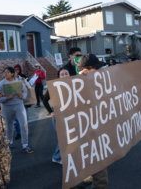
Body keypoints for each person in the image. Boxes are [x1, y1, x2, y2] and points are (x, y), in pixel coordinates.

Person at [76, 53, 109, 189]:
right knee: (101, 179)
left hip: (102, 134)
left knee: (91, 173)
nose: (100, 71)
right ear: (86, 70)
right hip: (91, 138)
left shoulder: (100, 83)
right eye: (97, 68)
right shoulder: (74, 88)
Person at [0, 67, 33, 153]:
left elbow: (25, 93)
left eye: (7, 72)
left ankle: (25, 145)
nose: (5, 74)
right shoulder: (1, 84)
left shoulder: (19, 82)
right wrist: (7, 98)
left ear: (13, 73)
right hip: (7, 107)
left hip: (19, 106)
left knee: (24, 124)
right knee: (9, 126)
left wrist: (22, 96)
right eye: (4, 72)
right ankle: (9, 142)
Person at [43, 67, 70, 165]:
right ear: (58, 77)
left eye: (66, 73)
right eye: (62, 74)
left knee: (69, 136)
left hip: (70, 116)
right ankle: (56, 157)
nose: (64, 76)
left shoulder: (73, 84)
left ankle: (64, 155)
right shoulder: (54, 86)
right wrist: (51, 112)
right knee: (64, 137)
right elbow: (45, 100)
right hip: (58, 116)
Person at [13, 64, 32, 140]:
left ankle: (24, 132)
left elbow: (30, 85)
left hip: (24, 100)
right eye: (15, 70)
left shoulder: (23, 76)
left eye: (18, 69)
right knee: (16, 119)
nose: (17, 71)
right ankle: (18, 133)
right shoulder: (11, 78)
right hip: (15, 101)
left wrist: (28, 85)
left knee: (25, 118)